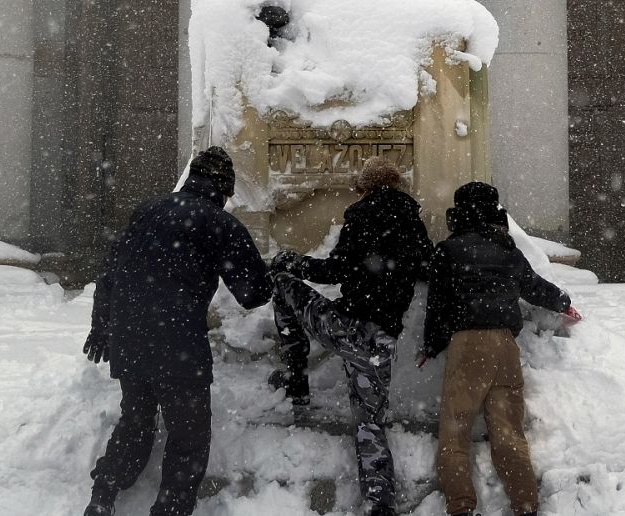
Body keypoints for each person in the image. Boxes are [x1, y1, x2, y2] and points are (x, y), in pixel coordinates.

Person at [81, 146, 273, 516]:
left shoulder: (146, 211)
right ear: (224, 188)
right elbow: (253, 294)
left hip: (130, 338)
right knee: (188, 437)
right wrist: (271, 273)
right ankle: (169, 509)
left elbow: (110, 272)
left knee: (136, 421)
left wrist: (101, 328)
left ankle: (103, 494)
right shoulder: (220, 224)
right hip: (179, 346)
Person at [268, 155, 434, 516]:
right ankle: (379, 504)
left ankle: (296, 375)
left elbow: (333, 271)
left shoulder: (360, 216)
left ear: (365, 187)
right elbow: (428, 267)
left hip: (347, 326)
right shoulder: (414, 224)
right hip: (381, 341)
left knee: (282, 286)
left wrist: (291, 261)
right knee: (370, 424)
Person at [418, 182, 582, 516]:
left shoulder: (448, 251)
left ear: (459, 213)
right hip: (505, 346)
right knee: (509, 432)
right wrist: (563, 302)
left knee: (455, 430)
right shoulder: (509, 251)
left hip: (467, 345)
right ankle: (525, 504)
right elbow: (536, 288)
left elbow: (437, 306)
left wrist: (431, 345)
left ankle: (462, 506)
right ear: (494, 212)